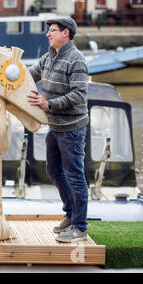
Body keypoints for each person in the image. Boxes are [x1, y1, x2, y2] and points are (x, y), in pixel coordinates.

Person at [27, 16, 89, 243]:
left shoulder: (77, 60)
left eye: (52, 30)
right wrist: (9, 64)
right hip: (55, 126)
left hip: (72, 128)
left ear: (66, 33)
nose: (48, 34)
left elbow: (79, 95)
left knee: (75, 176)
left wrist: (48, 104)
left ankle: (80, 228)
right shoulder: (48, 57)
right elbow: (28, 76)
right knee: (53, 171)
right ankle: (70, 214)